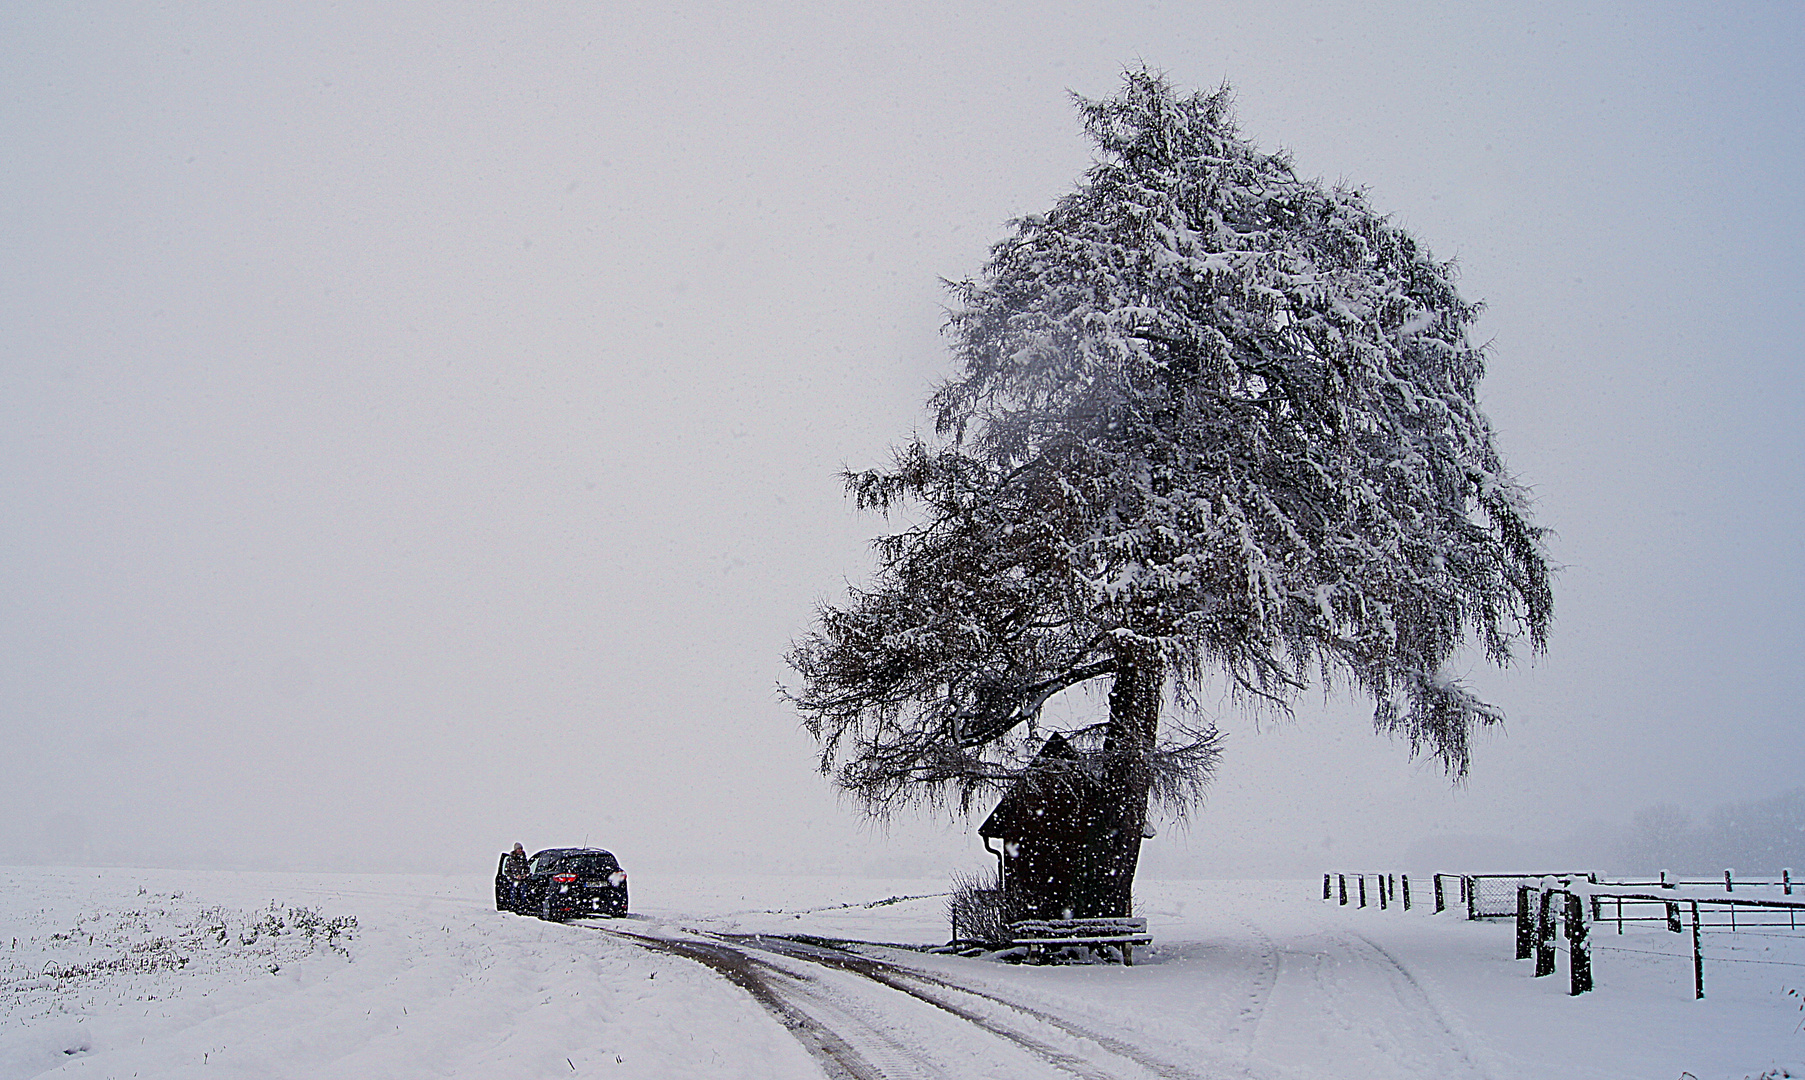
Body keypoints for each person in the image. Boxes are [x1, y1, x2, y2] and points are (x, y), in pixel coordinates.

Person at [504, 843, 529, 909]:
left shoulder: (524, 859)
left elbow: (527, 868)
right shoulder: (510, 859)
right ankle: (513, 907)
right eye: (519, 849)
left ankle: (522, 907)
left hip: (523, 881)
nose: (520, 850)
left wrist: (525, 874)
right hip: (513, 881)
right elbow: (507, 871)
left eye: (521, 849)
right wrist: (515, 876)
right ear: (515, 850)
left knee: (524, 894)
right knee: (513, 895)